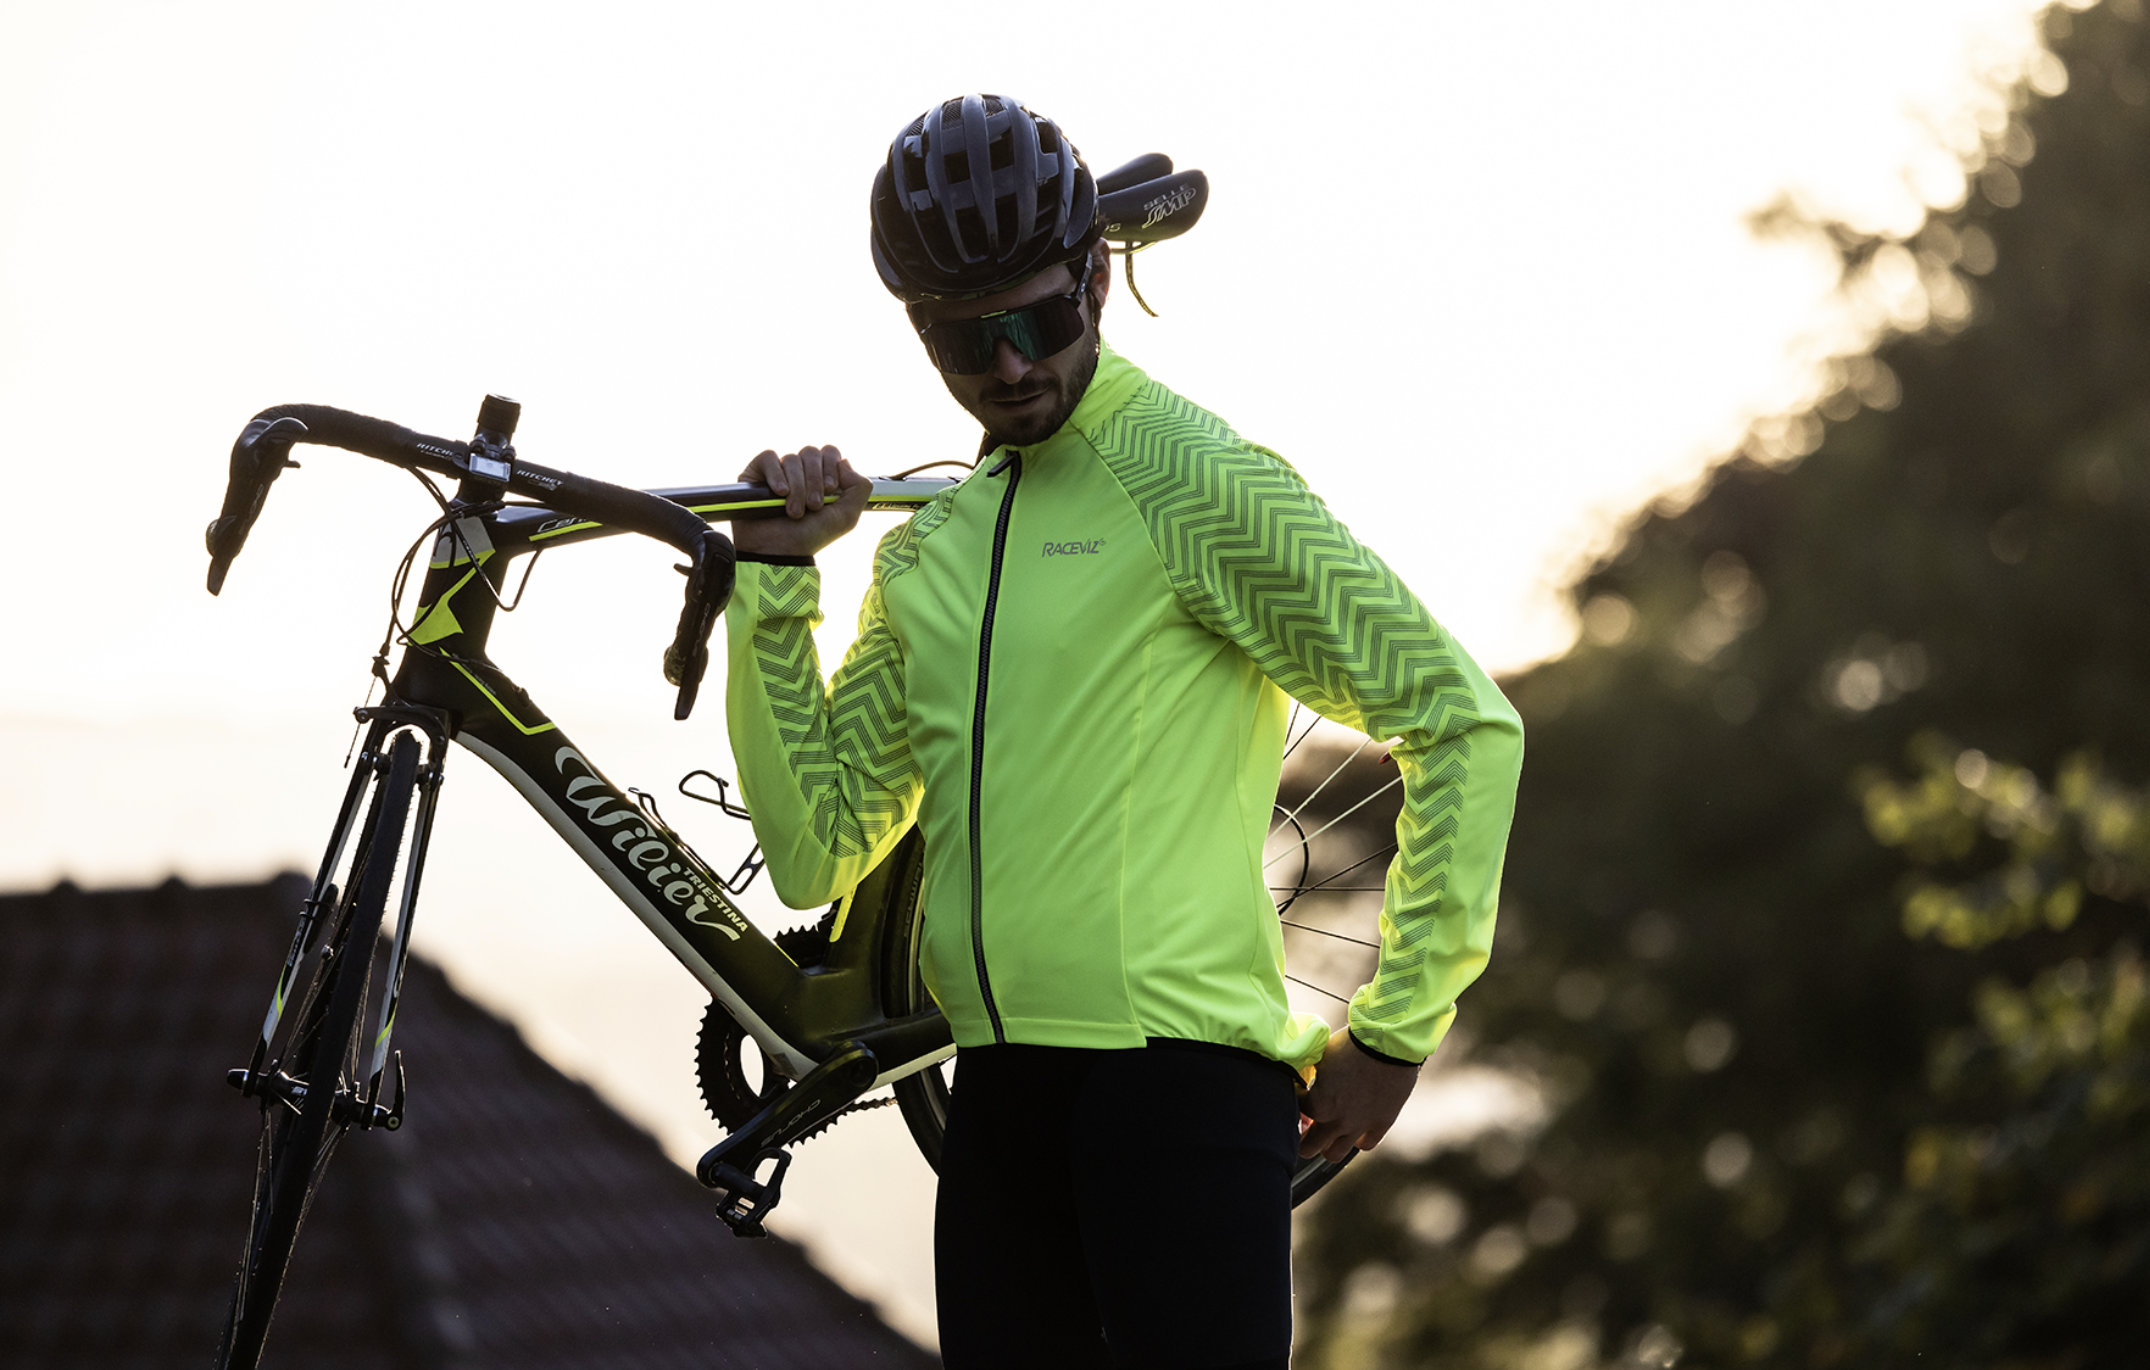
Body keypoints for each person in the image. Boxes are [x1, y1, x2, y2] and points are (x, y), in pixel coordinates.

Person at [721, 93, 1523, 1369]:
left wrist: (1393, 1030)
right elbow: (816, 844)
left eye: (1038, 318)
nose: (1009, 366)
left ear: (1095, 274)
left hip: (1183, 1095)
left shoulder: (1190, 479)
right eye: (963, 339)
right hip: (992, 1102)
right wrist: (769, 585)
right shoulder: (932, 546)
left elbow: (1462, 722)